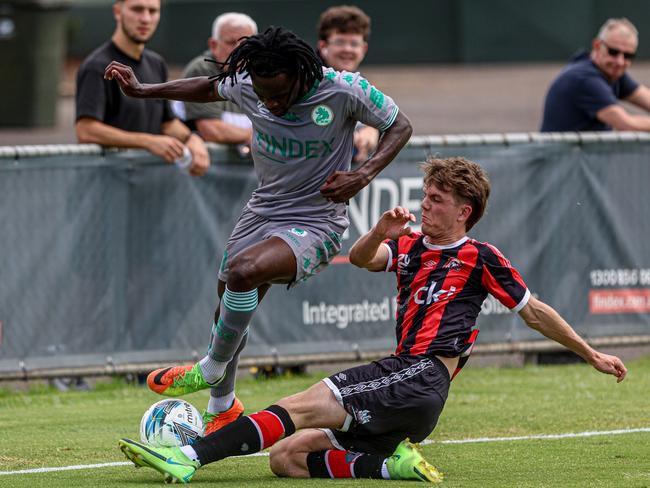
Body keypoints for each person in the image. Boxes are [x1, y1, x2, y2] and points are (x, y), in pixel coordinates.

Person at [117, 156, 627, 484]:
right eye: (426, 196)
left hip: (423, 374)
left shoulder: (481, 256)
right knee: (287, 459)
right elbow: (364, 258)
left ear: (465, 211)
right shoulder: (409, 246)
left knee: (302, 403)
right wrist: (381, 228)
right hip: (409, 389)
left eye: (437, 200)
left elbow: (534, 311)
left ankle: (190, 456)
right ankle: (390, 466)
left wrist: (591, 354)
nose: (425, 206)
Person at [104, 26, 413, 436]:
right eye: (263, 95)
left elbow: (401, 125)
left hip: (318, 219)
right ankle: (223, 406)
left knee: (243, 272)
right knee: (228, 309)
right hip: (263, 209)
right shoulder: (253, 83)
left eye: (279, 96)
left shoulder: (342, 89)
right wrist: (145, 90)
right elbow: (209, 87)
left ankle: (209, 368)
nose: (270, 102)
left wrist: (363, 174)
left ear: (302, 78)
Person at [75, 0, 209, 176]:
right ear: (117, 12)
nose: (145, 18)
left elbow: (167, 123)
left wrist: (192, 138)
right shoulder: (97, 66)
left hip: (147, 185)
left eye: (153, 11)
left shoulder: (156, 64)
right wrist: (148, 142)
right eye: (137, 9)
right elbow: (86, 131)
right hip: (105, 186)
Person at [541, 17, 650, 132]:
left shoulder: (610, 71)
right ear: (597, 46)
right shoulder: (584, 78)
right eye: (613, 52)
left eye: (628, 56)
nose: (620, 61)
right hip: (562, 150)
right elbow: (626, 124)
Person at [179, 12, 257, 145]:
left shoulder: (262, 72)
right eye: (231, 43)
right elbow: (211, 130)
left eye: (245, 44)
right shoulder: (202, 70)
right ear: (213, 45)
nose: (239, 50)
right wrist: (260, 136)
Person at [317, 5, 378, 163]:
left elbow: (379, 117)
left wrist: (371, 130)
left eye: (354, 44)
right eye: (340, 42)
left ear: (364, 49)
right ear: (323, 46)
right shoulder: (306, 80)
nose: (347, 49)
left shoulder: (359, 83)